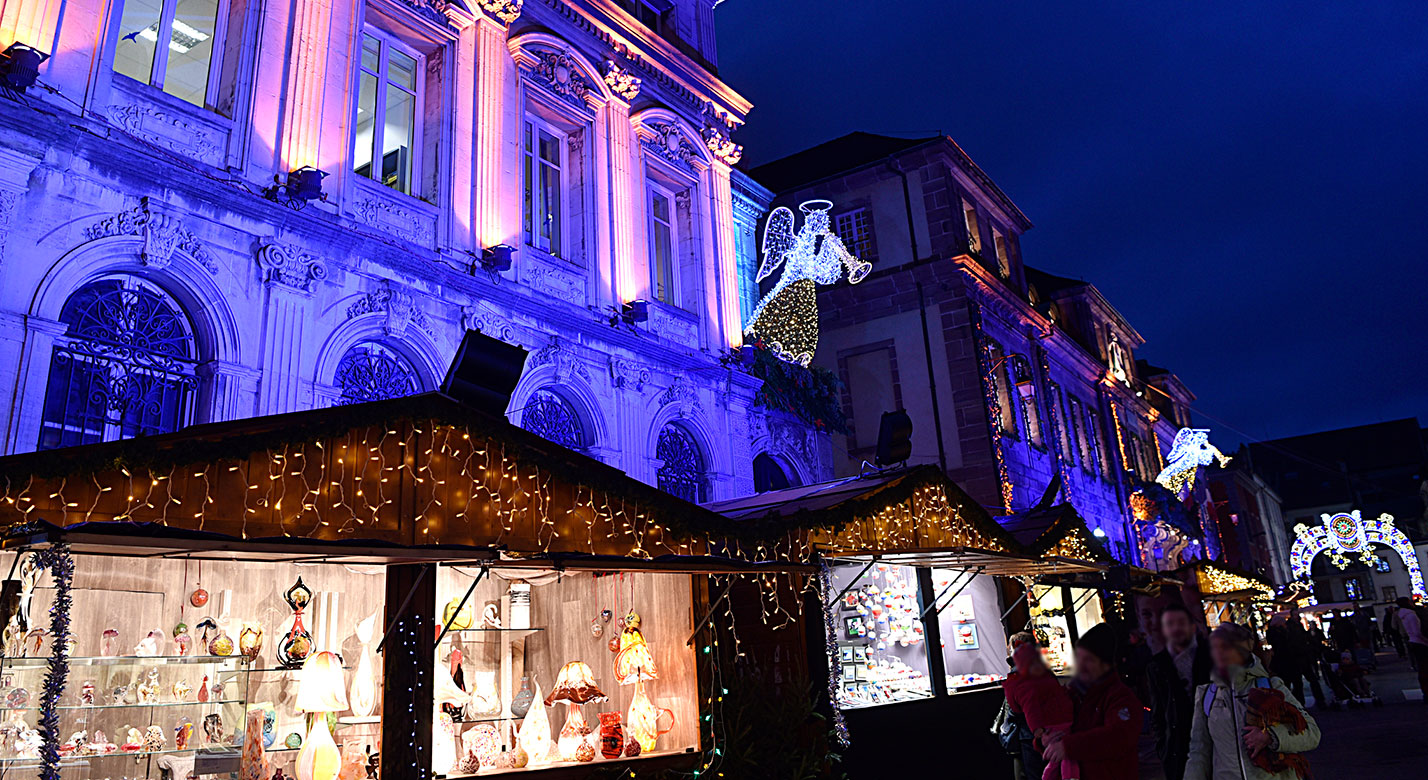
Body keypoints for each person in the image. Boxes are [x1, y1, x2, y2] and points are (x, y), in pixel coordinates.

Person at [1184, 623, 1320, 780]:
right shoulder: (1207, 695)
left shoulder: (1270, 686)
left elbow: (1312, 733)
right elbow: (1199, 752)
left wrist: (1270, 737)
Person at [1041, 624, 1141, 780]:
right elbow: (1056, 724)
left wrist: (1068, 746)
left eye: (1088, 660)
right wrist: (1045, 739)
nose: (1081, 666)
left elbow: (1118, 737)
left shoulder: (1120, 697)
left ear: (1105, 664)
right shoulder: (1072, 694)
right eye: (1079, 658)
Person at [1147, 603, 1211, 780]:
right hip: (1176, 746)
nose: (1176, 628)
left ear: (1192, 626)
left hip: (1212, 740)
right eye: (1170, 624)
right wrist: (1163, 746)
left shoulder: (1211, 655)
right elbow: (1157, 709)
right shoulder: (1157, 665)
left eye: (1181, 622)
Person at [1004, 643, 1078, 780]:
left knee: (1051, 763)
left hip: (1035, 733)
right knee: (1062, 757)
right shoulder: (1032, 681)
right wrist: (1038, 730)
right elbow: (1031, 707)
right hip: (1046, 729)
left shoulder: (1018, 681)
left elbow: (1018, 708)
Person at [1266, 607, 1325, 708]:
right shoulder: (1286, 630)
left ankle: (1303, 703)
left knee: (1299, 682)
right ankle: (1300, 703)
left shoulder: (1293, 627)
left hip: (1297, 658)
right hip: (1294, 659)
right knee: (1296, 682)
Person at [1393, 597, 1428, 702]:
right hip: (1420, 643)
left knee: (1422, 668)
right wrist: (1426, 640)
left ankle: (1425, 691)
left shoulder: (1402, 615)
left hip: (1413, 641)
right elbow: (1417, 631)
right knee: (1425, 668)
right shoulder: (1411, 615)